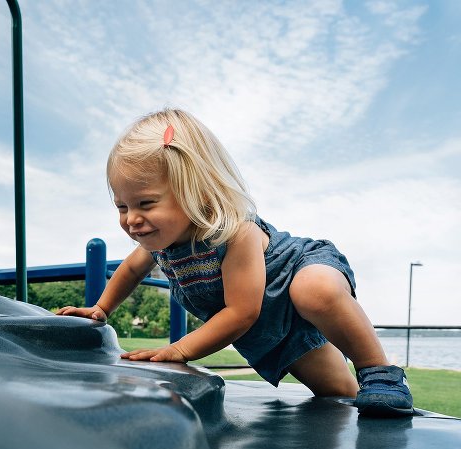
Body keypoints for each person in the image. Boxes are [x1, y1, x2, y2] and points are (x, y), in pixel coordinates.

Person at [57, 108, 413, 417]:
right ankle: (374, 402)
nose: (131, 219)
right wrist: (101, 307)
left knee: (314, 292)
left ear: (196, 192)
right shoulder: (161, 242)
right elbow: (132, 268)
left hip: (295, 272)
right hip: (273, 326)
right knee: (338, 393)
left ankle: (380, 371)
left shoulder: (233, 232)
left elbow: (242, 312)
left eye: (146, 204)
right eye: (123, 206)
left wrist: (180, 349)